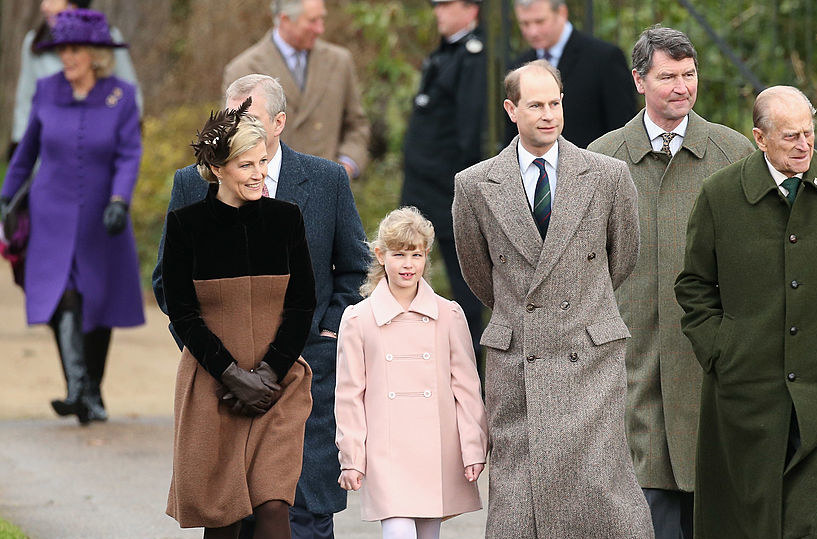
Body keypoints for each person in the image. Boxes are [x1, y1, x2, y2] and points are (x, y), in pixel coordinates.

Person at [152, 74, 369, 539]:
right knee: (226, 515)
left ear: (279, 123)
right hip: (217, 379)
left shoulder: (323, 182)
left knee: (299, 513)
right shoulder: (189, 190)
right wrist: (213, 362)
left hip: (297, 369)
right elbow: (171, 291)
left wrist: (326, 337)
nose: (237, 129)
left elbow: (352, 269)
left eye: (247, 119)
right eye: (230, 119)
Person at [674, 86, 817, 538]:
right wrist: (722, 350)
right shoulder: (720, 195)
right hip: (745, 392)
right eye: (790, 136)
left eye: (809, 133)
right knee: (748, 519)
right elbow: (694, 285)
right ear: (760, 138)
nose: (804, 145)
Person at [452, 60, 653, 538]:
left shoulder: (607, 176)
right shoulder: (475, 184)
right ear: (511, 109)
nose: (549, 114)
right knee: (519, 504)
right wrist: (523, 311)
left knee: (604, 499)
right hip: (519, 358)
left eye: (556, 103)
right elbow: (480, 272)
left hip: (590, 357)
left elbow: (621, 257)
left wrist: (579, 304)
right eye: (536, 105)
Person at [588, 26, 754, 539]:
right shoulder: (602, 159)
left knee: (713, 501)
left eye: (689, 74)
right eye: (667, 77)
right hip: (628, 361)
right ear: (639, 81)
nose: (682, 87)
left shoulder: (734, 153)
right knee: (645, 500)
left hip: (712, 364)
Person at [162, 98, 314, 538]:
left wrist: (268, 373)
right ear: (218, 167)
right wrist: (232, 376)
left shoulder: (286, 219)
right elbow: (183, 313)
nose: (259, 173)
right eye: (246, 164)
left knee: (273, 505)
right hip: (213, 386)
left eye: (263, 161)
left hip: (278, 386)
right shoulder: (186, 226)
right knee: (222, 516)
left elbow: (302, 303)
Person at [0, 9, 144, 425]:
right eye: (62, 49)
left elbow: (129, 154)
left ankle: (90, 391)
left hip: (102, 217)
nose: (67, 56)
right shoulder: (45, 90)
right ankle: (77, 388)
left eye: (75, 48)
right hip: (52, 215)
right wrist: (7, 198)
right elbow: (26, 152)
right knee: (61, 297)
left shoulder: (121, 95)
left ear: (96, 53)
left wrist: (120, 199)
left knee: (96, 302)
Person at [335, 206, 488, 539]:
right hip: (386, 451)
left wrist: (473, 448)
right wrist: (351, 458)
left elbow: (466, 389)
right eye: (399, 254)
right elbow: (349, 396)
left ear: (426, 256)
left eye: (416, 254)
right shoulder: (359, 319)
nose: (408, 264)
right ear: (380, 254)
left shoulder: (448, 314)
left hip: (437, 449)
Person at [400, 0, 487, 378]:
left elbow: (468, 135)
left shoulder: (473, 57)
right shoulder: (445, 54)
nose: (437, 11)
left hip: (446, 191)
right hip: (421, 188)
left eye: (445, 4)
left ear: (471, 9)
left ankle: (472, 378)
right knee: (403, 275)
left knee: (465, 290)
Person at [223, 0, 370, 180]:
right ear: (285, 19)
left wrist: (346, 166)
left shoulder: (340, 62)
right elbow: (232, 135)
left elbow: (357, 125)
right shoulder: (243, 69)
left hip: (326, 191)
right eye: (312, 21)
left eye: (321, 20)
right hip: (268, 193)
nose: (320, 29)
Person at [9, 0, 141, 161]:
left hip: (99, 150)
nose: (44, 6)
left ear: (73, 5)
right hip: (50, 151)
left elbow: (130, 93)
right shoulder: (34, 42)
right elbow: (26, 96)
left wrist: (126, 136)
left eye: (52, 0)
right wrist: (21, 145)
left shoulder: (107, 36)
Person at [508, 0, 635, 148]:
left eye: (540, 21)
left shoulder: (605, 58)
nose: (532, 32)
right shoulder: (519, 67)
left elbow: (622, 128)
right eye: (525, 24)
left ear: (561, 13)